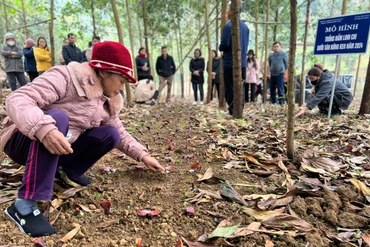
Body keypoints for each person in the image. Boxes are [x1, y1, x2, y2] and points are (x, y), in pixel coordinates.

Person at [1, 41, 165, 237]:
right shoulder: (65, 77)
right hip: (23, 140)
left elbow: (119, 132)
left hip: (59, 146)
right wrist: (44, 128)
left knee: (110, 134)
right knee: (58, 118)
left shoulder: (108, 100)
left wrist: (143, 156)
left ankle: (65, 172)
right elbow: (17, 100)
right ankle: (24, 205)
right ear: (104, 72)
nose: (122, 88)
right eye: (121, 81)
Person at [219, 3, 249, 115]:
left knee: (230, 87)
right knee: (241, 87)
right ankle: (239, 110)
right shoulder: (245, 27)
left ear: (232, 10)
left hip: (230, 62)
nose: (227, 12)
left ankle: (232, 111)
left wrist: (220, 47)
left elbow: (225, 44)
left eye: (228, 9)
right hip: (243, 62)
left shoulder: (228, 26)